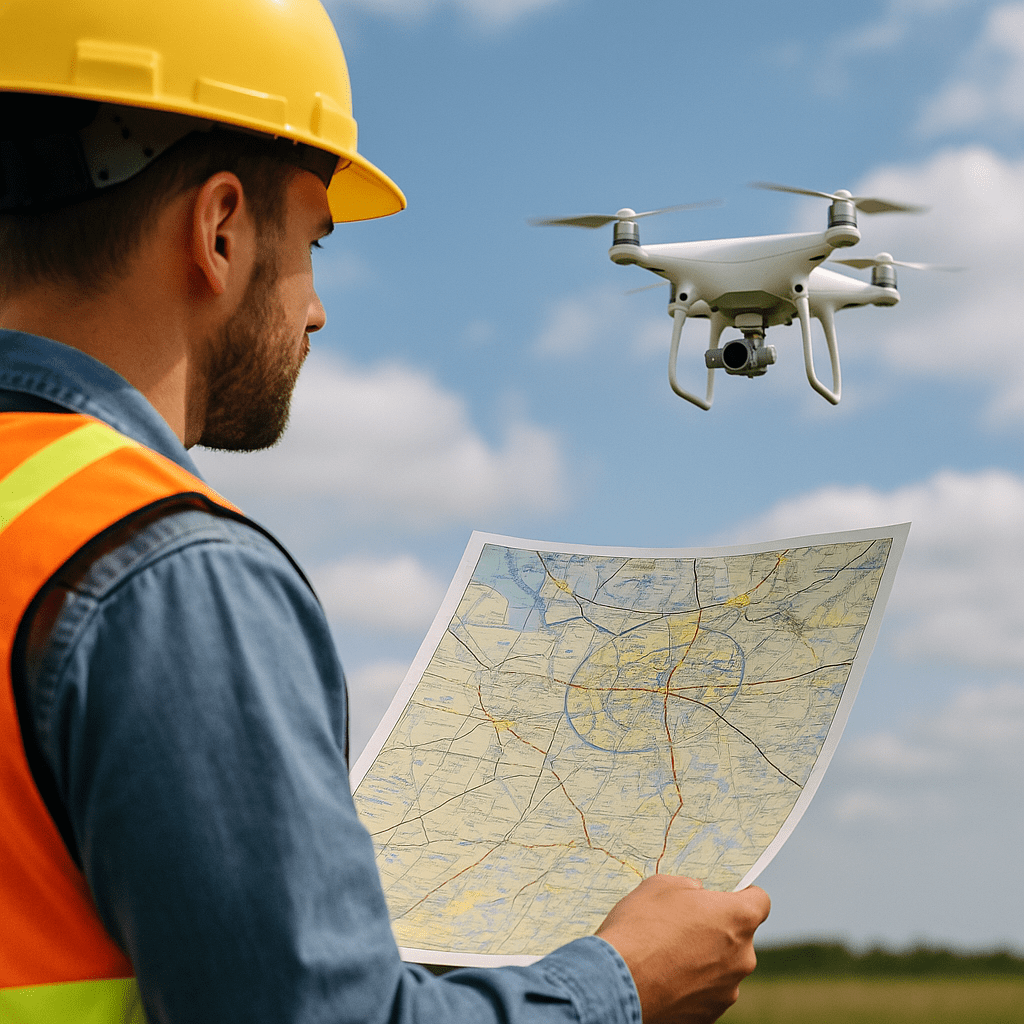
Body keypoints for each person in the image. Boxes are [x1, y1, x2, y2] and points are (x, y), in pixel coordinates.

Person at [0, 1, 771, 1022]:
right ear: (220, 226)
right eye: (315, 241)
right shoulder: (160, 568)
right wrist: (621, 983)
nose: (316, 306)